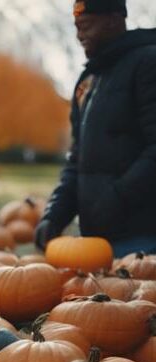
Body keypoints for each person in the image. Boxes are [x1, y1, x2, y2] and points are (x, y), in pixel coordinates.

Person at [35, 0, 156, 256]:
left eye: (86, 26)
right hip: (97, 239)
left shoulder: (148, 63)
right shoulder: (87, 80)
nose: (79, 36)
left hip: (143, 239)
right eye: (76, 27)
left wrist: (117, 197)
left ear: (113, 20)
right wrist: (55, 214)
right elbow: (77, 159)